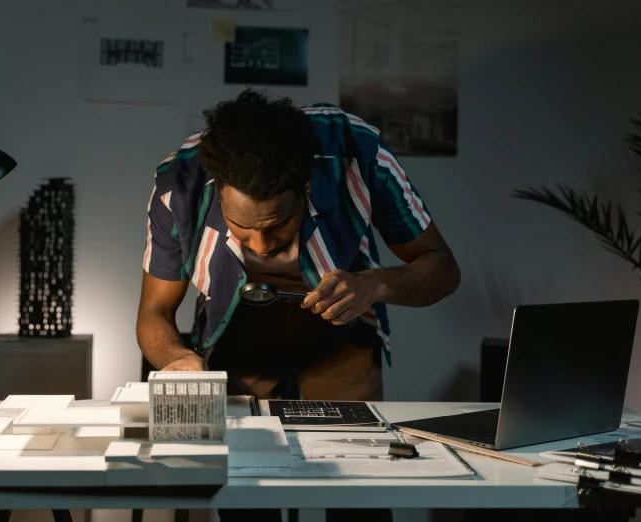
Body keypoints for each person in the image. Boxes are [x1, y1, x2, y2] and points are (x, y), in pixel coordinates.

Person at [136, 88, 461, 522]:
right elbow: (154, 313)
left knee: (358, 490)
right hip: (235, 331)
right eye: (241, 229)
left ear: (306, 184)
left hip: (342, 324)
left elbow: (442, 268)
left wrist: (376, 283)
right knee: (247, 493)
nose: (262, 246)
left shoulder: (358, 153)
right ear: (218, 192)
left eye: (277, 224)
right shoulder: (179, 184)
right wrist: (176, 358)